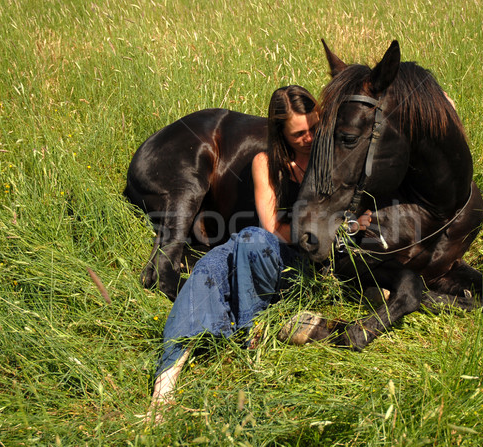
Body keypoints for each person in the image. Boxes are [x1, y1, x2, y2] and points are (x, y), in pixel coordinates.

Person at [146, 86, 372, 416]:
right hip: (273, 254)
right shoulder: (264, 162)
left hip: (310, 263)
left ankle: (249, 331)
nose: (309, 138)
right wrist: (321, 227)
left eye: (313, 128)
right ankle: (166, 377)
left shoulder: (332, 155)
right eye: (299, 134)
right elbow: (271, 230)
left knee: (227, 254)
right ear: (280, 133)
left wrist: (352, 225)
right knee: (216, 262)